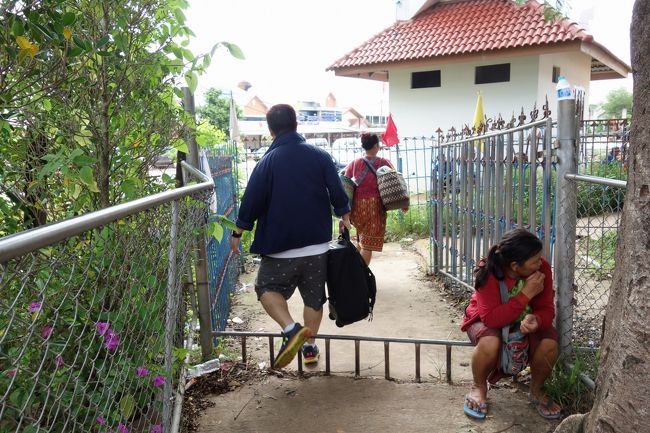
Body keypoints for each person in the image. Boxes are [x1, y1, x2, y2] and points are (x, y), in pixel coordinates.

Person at [230, 104, 351, 368]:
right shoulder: (320, 155)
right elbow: (336, 189)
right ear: (296, 124)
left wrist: (238, 231)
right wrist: (344, 215)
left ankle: (290, 329)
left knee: (265, 288)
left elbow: (251, 200)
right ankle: (309, 348)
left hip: (279, 246)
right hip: (317, 244)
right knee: (314, 299)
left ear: (270, 129)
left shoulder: (267, 162)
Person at [460, 228, 561, 420]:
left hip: (522, 319)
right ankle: (479, 386)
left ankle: (536, 389)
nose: (540, 264)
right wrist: (526, 295)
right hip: (485, 318)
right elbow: (490, 318)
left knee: (549, 343)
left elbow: (547, 309)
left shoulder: (542, 269)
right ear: (515, 266)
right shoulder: (488, 272)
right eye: (534, 261)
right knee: (490, 341)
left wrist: (537, 320)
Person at [344, 132, 406, 265]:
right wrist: (403, 204)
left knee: (362, 240)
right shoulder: (383, 162)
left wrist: (346, 211)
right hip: (375, 206)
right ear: (376, 145)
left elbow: (345, 182)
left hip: (357, 207)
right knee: (368, 245)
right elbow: (396, 183)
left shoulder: (354, 163)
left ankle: (355, 273)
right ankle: (361, 277)